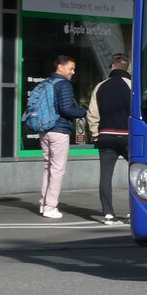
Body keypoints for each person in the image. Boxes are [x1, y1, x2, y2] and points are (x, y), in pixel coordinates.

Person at [39, 55, 88, 219]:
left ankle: (43, 203)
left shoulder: (47, 82)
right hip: (59, 130)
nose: (73, 72)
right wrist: (85, 112)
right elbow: (67, 110)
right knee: (57, 169)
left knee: (49, 168)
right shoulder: (63, 85)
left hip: (44, 130)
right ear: (60, 66)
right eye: (71, 68)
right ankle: (50, 207)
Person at [87, 53, 132, 225]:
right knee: (138, 173)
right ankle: (134, 211)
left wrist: (95, 133)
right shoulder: (133, 86)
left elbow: (92, 113)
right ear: (126, 68)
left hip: (105, 137)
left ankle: (108, 214)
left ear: (112, 66)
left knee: (105, 176)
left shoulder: (100, 86)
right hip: (129, 137)